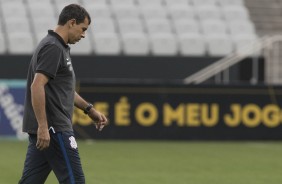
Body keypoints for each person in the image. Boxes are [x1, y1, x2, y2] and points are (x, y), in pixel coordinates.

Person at [19, 4, 108, 184]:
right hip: (55, 129)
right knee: (75, 181)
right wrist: (43, 127)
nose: (83, 35)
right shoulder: (53, 47)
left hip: (49, 130)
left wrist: (89, 109)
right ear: (71, 22)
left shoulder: (57, 46)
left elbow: (64, 90)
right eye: (83, 29)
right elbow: (37, 86)